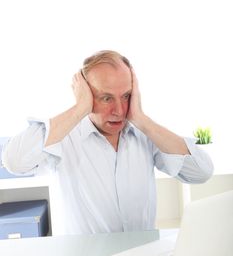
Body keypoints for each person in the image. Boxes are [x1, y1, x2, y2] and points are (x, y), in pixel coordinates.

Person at [2, 50, 214, 235]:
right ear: (85, 95)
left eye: (126, 96)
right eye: (106, 98)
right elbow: (14, 162)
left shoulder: (144, 133)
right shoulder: (64, 136)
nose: (119, 111)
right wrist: (79, 109)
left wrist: (141, 119)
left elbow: (201, 172)